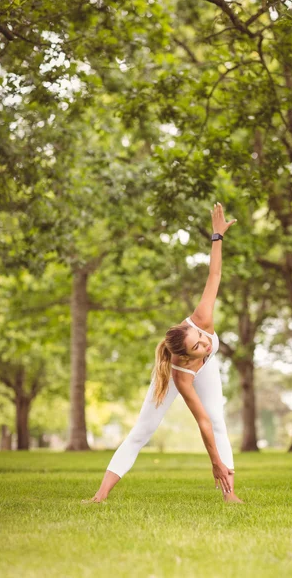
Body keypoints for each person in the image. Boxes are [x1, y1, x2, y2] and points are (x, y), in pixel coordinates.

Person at [84, 203, 243, 504]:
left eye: (201, 338)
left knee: (220, 420)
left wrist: (217, 236)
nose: (206, 344)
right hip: (183, 372)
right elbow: (200, 422)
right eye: (198, 346)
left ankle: (229, 495)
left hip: (204, 369)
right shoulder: (180, 374)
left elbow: (215, 274)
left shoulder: (203, 320)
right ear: (184, 357)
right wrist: (213, 462)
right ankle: (99, 496)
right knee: (143, 431)